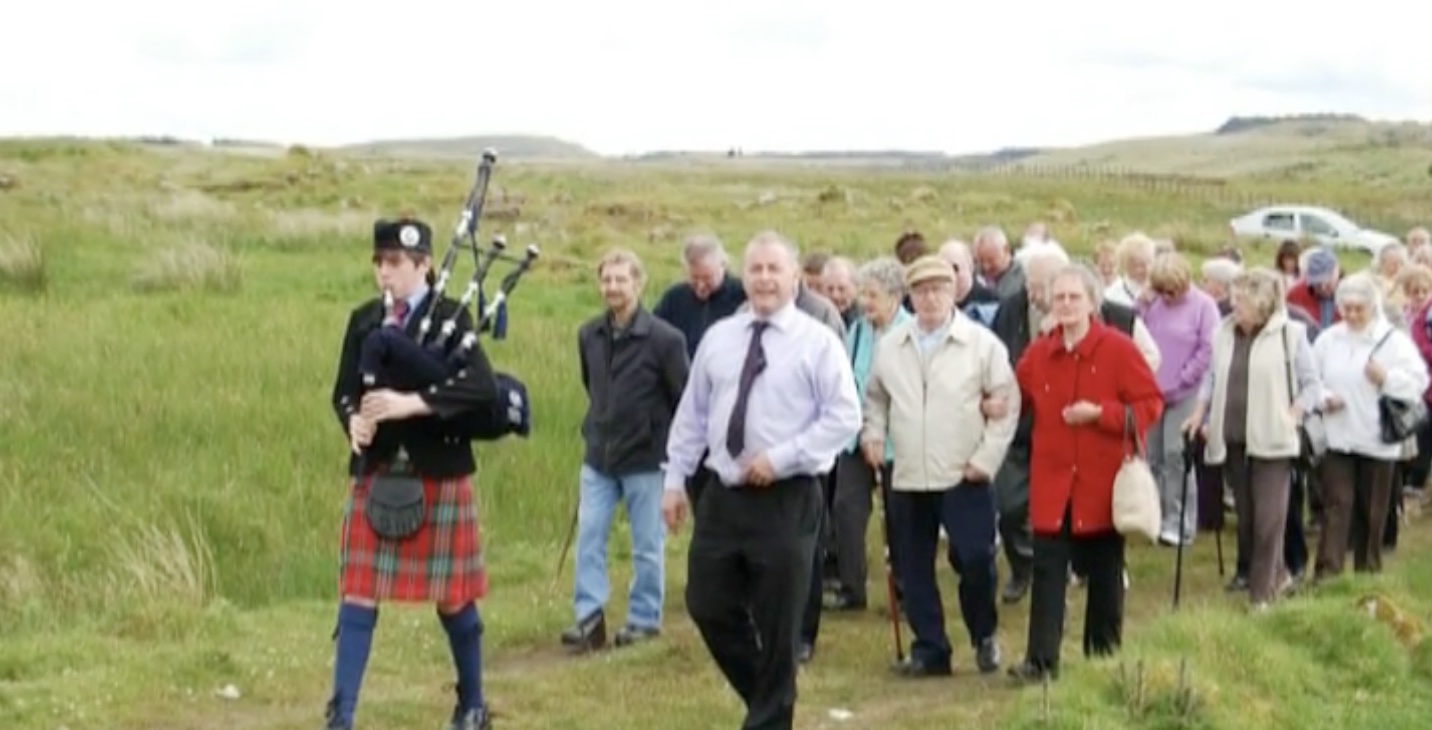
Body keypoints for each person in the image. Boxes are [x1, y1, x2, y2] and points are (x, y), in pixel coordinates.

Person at [661, 230, 862, 730]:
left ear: (796, 276)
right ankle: (770, 699)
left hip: (787, 497)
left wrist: (783, 458)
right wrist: (673, 479)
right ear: (743, 276)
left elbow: (844, 417)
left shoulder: (817, 342)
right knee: (706, 602)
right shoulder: (720, 338)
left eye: (776, 269)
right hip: (723, 493)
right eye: (757, 269)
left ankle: (769, 718)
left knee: (778, 623)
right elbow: (693, 413)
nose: (766, 279)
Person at [326, 218, 503, 730]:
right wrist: (353, 422)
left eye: (397, 263)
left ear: (424, 264)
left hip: (438, 471)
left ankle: (472, 706)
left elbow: (481, 387)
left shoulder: (452, 315)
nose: (386, 273)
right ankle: (342, 717)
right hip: (376, 471)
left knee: (452, 596)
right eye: (379, 262)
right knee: (357, 590)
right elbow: (342, 391)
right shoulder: (363, 319)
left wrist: (411, 403)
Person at [861, 255, 1019, 677]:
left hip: (963, 472)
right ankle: (930, 648)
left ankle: (983, 634)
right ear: (910, 296)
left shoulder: (981, 344)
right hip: (908, 471)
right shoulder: (891, 345)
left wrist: (985, 461)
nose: (930, 298)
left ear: (953, 292)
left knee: (974, 559)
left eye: (939, 289)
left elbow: (1006, 406)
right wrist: (872, 434)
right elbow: (874, 398)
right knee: (912, 565)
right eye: (922, 290)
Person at [1008, 263, 1163, 683]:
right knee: (1047, 574)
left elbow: (1150, 405)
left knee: (1105, 577)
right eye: (1059, 298)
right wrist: (992, 404)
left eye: (1075, 297)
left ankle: (1103, 660)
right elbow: (1014, 395)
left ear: (1093, 302)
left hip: (1102, 484)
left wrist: (1102, 415)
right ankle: (1040, 662)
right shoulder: (1039, 352)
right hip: (1053, 483)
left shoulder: (1118, 348)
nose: (1067, 305)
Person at [561, 249, 690, 652]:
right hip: (599, 456)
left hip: (647, 459)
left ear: (639, 283)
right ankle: (589, 619)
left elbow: (682, 399)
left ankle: (643, 618)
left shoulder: (666, 340)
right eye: (607, 280)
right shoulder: (588, 335)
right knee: (590, 536)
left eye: (621, 279)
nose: (613, 287)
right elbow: (592, 385)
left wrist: (671, 458)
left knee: (647, 544)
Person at [1183, 268, 1320, 610]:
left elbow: (1312, 384)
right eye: (1234, 298)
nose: (1233, 305)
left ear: (1262, 304)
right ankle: (1280, 574)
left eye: (1241, 301)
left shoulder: (1292, 335)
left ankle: (1261, 597)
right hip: (1233, 437)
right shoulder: (1223, 334)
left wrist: (1294, 414)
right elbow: (1211, 379)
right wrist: (1199, 413)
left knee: (1269, 519)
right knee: (1247, 519)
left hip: (1274, 440)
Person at [1311, 273, 1429, 579]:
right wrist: (1324, 398)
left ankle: (1367, 574)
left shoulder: (1393, 341)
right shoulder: (1328, 339)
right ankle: (1327, 575)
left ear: (1372, 307)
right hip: (1338, 438)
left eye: (1358, 309)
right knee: (1337, 506)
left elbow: (1419, 382)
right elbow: (1310, 380)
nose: (1351, 315)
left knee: (1370, 512)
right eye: (1346, 308)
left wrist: (1386, 378)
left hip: (1378, 441)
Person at [828, 257, 911, 612]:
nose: (865, 302)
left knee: (899, 519)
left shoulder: (911, 332)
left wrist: (879, 434)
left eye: (872, 295)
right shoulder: (859, 330)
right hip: (853, 438)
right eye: (863, 294)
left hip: (896, 443)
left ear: (894, 296)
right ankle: (851, 586)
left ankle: (907, 591)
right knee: (846, 510)